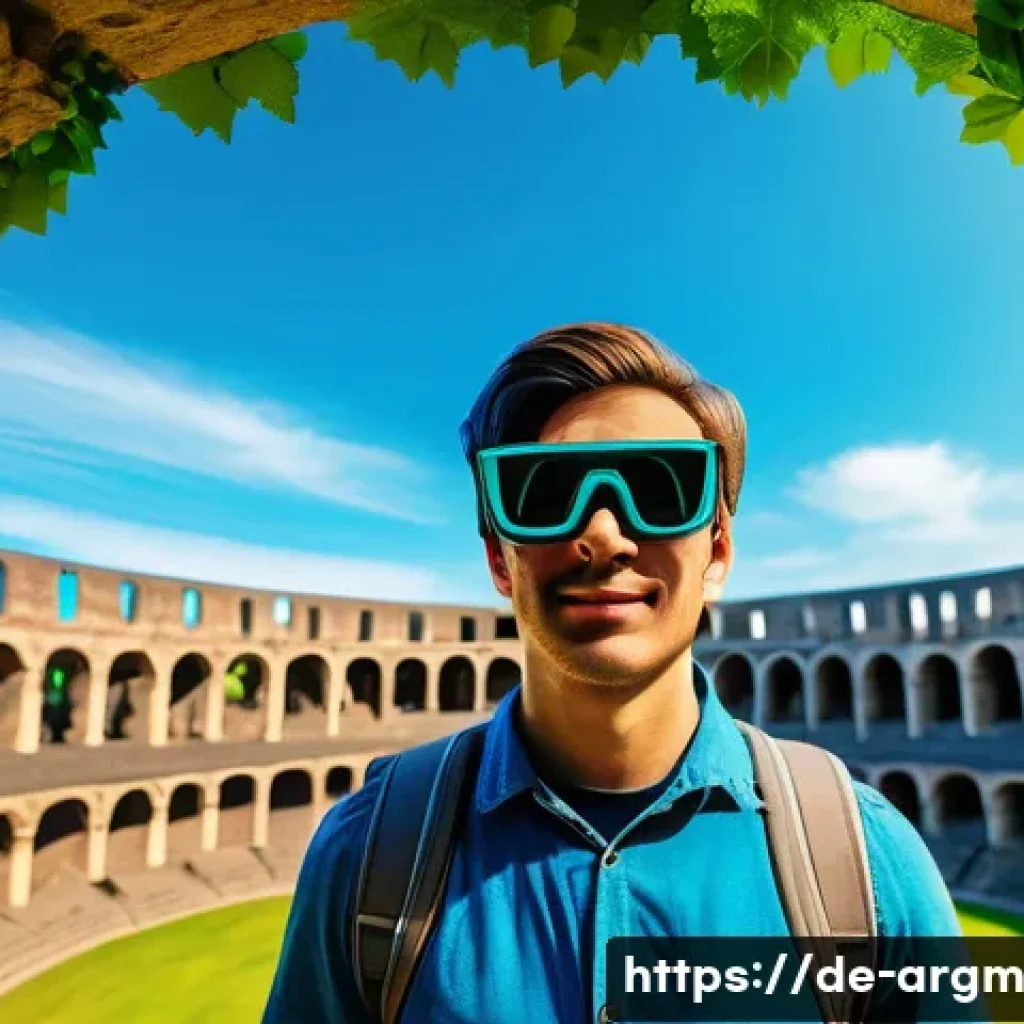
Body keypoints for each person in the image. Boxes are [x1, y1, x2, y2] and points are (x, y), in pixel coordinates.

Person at [261, 322, 961, 1024]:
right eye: (545, 494)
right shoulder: (368, 854)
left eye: (660, 489)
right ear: (501, 559)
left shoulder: (869, 863)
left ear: (717, 553)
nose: (602, 535)